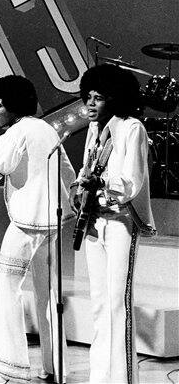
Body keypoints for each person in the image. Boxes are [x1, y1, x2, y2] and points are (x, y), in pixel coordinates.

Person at [0, 75, 77, 384]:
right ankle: (56, 367)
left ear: (12, 105)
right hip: (51, 223)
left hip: (25, 225)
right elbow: (68, 172)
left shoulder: (15, 133)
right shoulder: (48, 129)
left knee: (8, 290)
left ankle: (7, 370)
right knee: (48, 294)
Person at [70, 64, 154, 384]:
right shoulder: (95, 130)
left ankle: (122, 380)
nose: (90, 104)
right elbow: (87, 170)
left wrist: (99, 182)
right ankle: (99, 377)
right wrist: (81, 186)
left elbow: (130, 181)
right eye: (87, 97)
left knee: (119, 305)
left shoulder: (131, 128)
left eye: (99, 98)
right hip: (95, 221)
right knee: (99, 304)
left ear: (115, 99)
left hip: (120, 221)